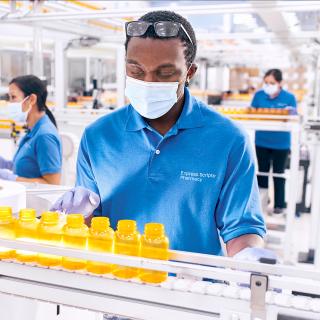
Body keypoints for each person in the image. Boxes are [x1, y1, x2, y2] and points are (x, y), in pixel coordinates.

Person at [52, 11, 270, 261]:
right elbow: (93, 224)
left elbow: (241, 228)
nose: (148, 82)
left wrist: (249, 260)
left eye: (164, 73)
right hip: (116, 280)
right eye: (136, 70)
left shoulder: (229, 139)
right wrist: (78, 218)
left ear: (190, 72)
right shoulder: (98, 137)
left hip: (192, 289)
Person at [0, 75, 62, 185]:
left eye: (13, 97)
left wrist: (10, 178)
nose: (10, 103)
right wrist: (5, 164)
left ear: (32, 99)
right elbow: (27, 167)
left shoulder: (45, 135)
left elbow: (52, 184)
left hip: (36, 201)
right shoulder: (33, 130)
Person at [251, 69, 297, 215]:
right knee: (262, 173)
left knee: (279, 174)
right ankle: (262, 202)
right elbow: (252, 113)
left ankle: (279, 205)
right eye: (266, 83)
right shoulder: (258, 95)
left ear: (280, 83)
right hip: (262, 141)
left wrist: (292, 112)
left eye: (272, 83)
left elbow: (294, 116)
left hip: (281, 143)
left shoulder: (289, 97)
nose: (268, 85)